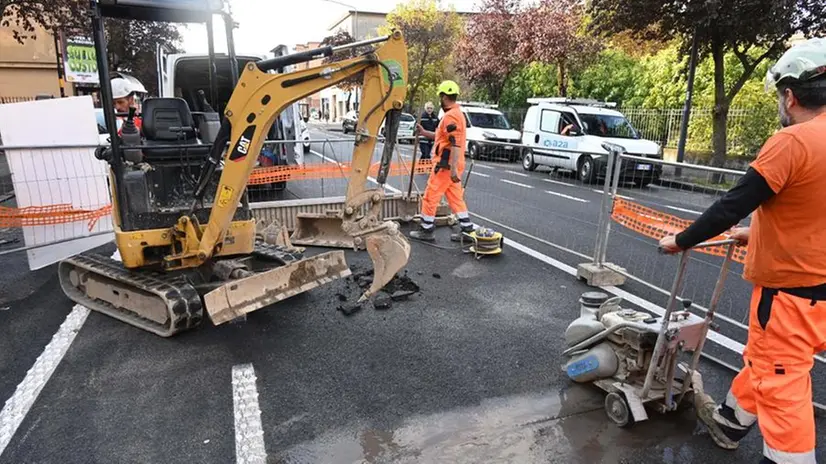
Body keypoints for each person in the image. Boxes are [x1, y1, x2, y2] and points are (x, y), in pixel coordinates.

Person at [659, 37, 826, 464]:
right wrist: (756, 235)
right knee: (765, 358)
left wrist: (681, 240)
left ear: (790, 95)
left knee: (783, 379)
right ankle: (732, 420)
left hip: (789, 291)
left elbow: (732, 204)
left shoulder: (792, 142)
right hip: (817, 289)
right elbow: (810, 209)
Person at [409, 80, 474, 241]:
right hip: (451, 164)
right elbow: (442, 138)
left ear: (444, 96)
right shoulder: (454, 114)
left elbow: (456, 144)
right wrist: (424, 132)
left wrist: (452, 170)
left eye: (440, 96)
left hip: (446, 165)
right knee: (455, 197)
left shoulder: (451, 116)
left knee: (431, 195)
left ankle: (426, 229)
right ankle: (467, 228)